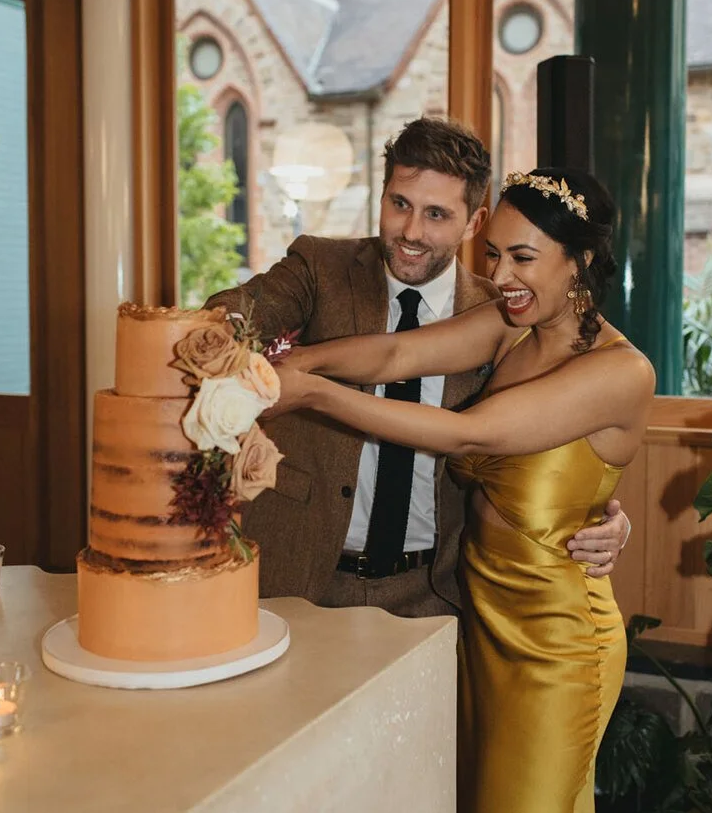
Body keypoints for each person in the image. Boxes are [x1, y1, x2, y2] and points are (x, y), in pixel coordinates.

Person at [271, 167, 655, 813]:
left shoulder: (622, 370)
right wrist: (296, 361)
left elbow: (468, 437)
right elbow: (389, 353)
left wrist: (305, 394)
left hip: (557, 646)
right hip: (482, 620)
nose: (500, 278)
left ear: (577, 262)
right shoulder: (512, 328)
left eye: (523, 259)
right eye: (494, 255)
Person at [207, 117, 629, 617]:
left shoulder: (512, 308)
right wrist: (224, 333)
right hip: (300, 576)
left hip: (439, 590)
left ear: (473, 222)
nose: (411, 231)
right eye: (399, 204)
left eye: (436, 214)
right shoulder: (320, 267)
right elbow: (251, 309)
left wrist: (603, 516)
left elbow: (558, 430)